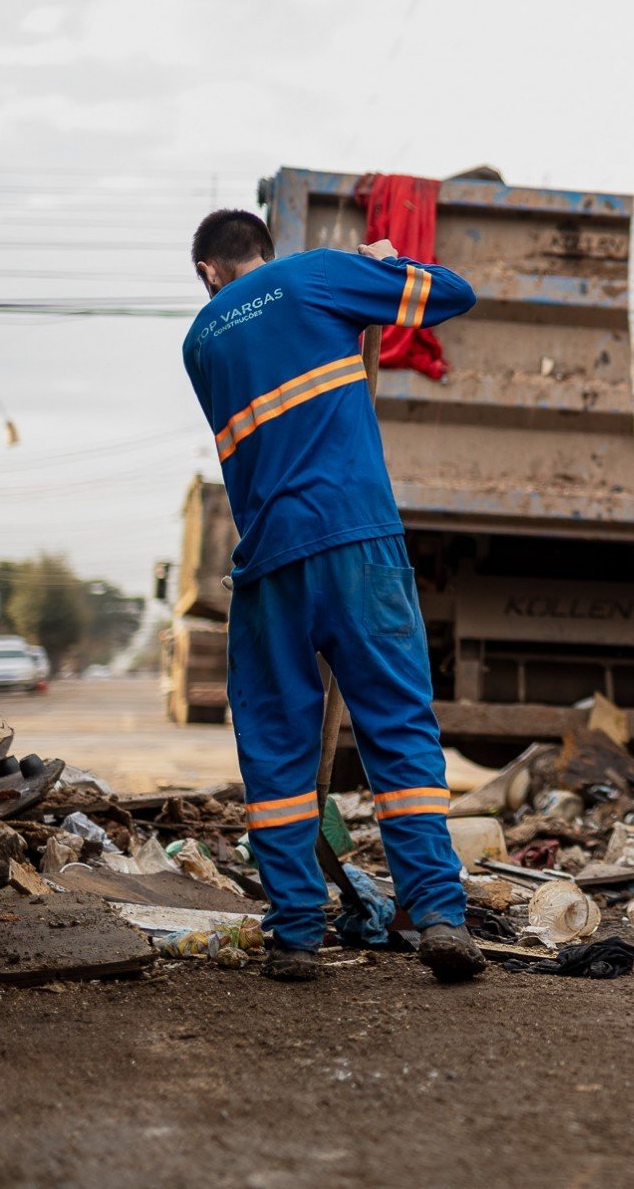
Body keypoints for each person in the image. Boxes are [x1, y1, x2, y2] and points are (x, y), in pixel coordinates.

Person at [182, 208, 482, 984]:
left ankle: (294, 933)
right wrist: (380, 265)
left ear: (208, 272)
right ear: (263, 250)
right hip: (357, 543)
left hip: (270, 562)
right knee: (397, 729)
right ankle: (441, 915)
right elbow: (455, 293)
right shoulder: (316, 274)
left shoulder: (200, 341)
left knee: (276, 744)